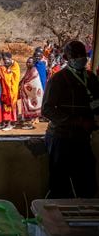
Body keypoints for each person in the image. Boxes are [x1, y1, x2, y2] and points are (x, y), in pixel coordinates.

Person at [42, 40, 99, 198]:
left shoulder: (92, 78)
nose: (80, 58)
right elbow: (46, 109)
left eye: (82, 54)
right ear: (67, 58)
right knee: (59, 184)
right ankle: (55, 220)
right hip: (61, 137)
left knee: (87, 183)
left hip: (82, 138)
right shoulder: (58, 79)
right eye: (75, 55)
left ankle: (83, 219)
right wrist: (78, 121)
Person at [19, 57, 43, 129]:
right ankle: (29, 122)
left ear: (33, 63)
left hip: (33, 94)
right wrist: (21, 82)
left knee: (32, 108)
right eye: (27, 62)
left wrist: (23, 85)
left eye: (29, 62)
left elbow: (34, 83)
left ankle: (30, 124)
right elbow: (25, 79)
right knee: (28, 107)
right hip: (29, 94)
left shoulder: (34, 71)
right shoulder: (28, 70)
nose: (27, 63)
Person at [0, 52, 21, 131]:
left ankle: (10, 124)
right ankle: (10, 122)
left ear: (10, 59)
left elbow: (13, 77)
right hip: (8, 90)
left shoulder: (15, 66)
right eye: (4, 60)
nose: (4, 62)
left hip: (12, 90)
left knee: (10, 107)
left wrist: (6, 73)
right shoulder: (7, 66)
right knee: (8, 106)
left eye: (6, 60)